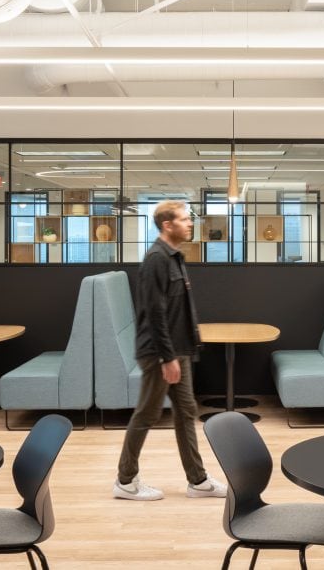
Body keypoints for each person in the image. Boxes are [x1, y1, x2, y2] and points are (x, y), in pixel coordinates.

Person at [113, 200, 227, 501]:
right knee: (147, 414)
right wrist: (167, 357)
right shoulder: (156, 259)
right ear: (167, 224)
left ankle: (198, 481)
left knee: (186, 412)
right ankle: (125, 481)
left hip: (179, 351)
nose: (190, 223)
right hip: (160, 353)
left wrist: (180, 352)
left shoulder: (174, 256)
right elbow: (155, 313)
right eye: (185, 219)